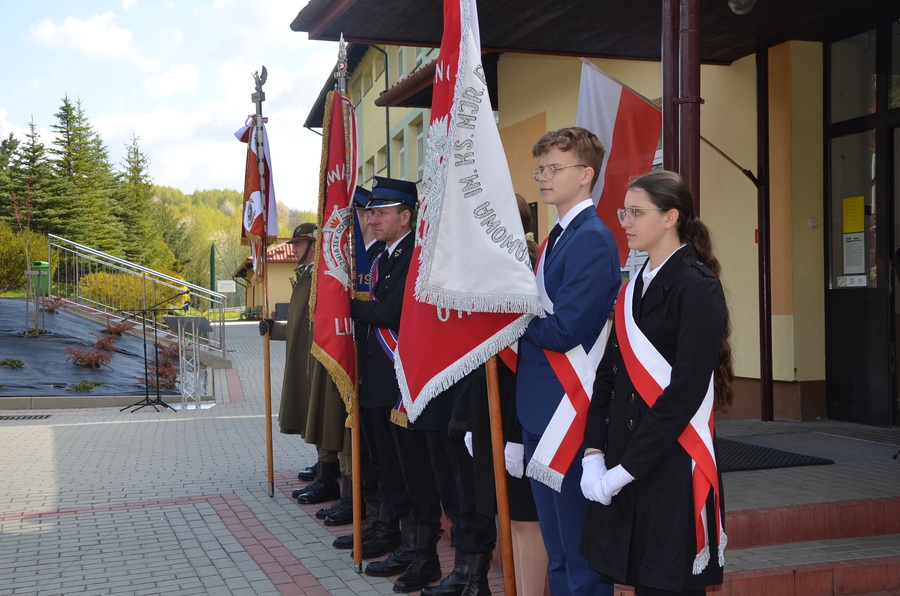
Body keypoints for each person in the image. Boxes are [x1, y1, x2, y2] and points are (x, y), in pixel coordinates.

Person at [580, 170, 732, 596]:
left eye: (636, 212)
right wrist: (594, 452)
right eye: (623, 212)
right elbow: (608, 376)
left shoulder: (698, 287)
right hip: (625, 459)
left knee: (668, 584)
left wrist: (626, 469)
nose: (625, 222)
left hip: (670, 462)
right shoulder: (631, 289)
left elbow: (684, 392)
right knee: (638, 580)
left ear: (670, 217)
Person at [516, 127, 620, 596]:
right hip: (541, 408)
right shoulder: (557, 236)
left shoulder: (592, 238)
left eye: (554, 168)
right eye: (541, 169)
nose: (543, 177)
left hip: (569, 409)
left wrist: (512, 319)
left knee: (579, 555)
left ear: (585, 174)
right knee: (557, 550)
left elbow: (565, 330)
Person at [350, 176, 444, 593]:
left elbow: (391, 312)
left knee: (414, 472)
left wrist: (346, 305)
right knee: (390, 467)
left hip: (403, 383)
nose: (372, 219)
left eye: (382, 213)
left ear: (406, 217)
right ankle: (400, 539)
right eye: (371, 212)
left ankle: (422, 552)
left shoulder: (414, 256)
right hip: (379, 380)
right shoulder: (384, 256)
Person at [465, 194, 548, 596]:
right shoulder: (492, 275)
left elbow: (521, 363)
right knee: (510, 518)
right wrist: (472, 421)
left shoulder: (523, 276)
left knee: (527, 521)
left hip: (520, 418)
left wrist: (514, 435)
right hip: (492, 413)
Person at [264, 222, 346, 509]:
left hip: (319, 358)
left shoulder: (322, 278)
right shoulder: (306, 275)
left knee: (323, 417)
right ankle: (323, 468)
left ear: (314, 245)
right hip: (305, 357)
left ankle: (328, 476)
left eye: (299, 244)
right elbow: (300, 323)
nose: (294, 249)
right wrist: (275, 329)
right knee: (313, 415)